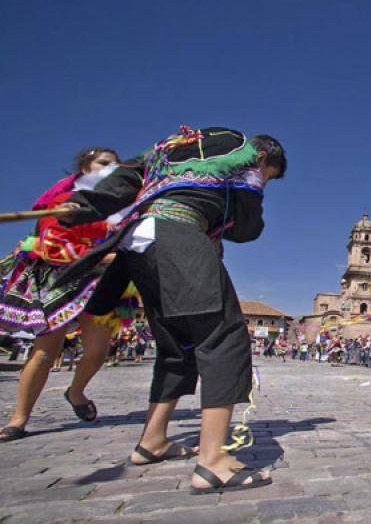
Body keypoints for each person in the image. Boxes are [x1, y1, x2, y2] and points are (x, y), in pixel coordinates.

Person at [55, 126, 287, 493]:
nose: (264, 179)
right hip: (177, 233)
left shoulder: (178, 144)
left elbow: (128, 174)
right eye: (269, 175)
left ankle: (153, 441)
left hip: (137, 243)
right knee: (223, 336)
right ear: (264, 159)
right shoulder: (247, 157)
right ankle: (213, 462)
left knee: (177, 348)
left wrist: (84, 208)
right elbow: (246, 229)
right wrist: (256, 184)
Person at [0, 148, 126, 443]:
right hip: (62, 281)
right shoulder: (61, 201)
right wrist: (101, 255)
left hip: (99, 284)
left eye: (115, 165)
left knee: (96, 353)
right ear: (85, 168)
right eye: (103, 163)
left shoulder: (119, 208)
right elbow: (51, 245)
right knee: (44, 353)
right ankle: (19, 418)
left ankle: (76, 391)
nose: (111, 169)